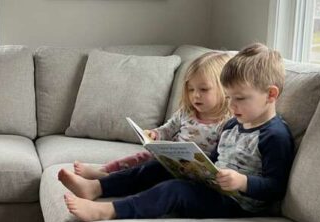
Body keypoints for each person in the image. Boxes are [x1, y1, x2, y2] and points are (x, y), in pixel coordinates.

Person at [58, 43, 295, 222]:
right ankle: (97, 187)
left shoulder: (275, 136)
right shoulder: (234, 125)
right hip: (213, 189)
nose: (231, 106)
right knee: (158, 167)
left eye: (240, 99)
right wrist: (193, 167)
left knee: (174, 190)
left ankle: (108, 211)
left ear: (271, 95)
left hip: (237, 206)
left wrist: (242, 182)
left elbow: (276, 187)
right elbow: (214, 160)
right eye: (229, 97)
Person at [74, 51, 232, 180]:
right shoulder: (186, 112)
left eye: (203, 89)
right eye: (191, 89)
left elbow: (221, 156)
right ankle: (105, 171)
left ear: (225, 89)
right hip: (171, 159)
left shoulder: (226, 123)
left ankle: (111, 178)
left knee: (149, 171)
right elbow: (168, 130)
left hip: (195, 171)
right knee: (142, 157)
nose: (195, 95)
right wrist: (154, 134)